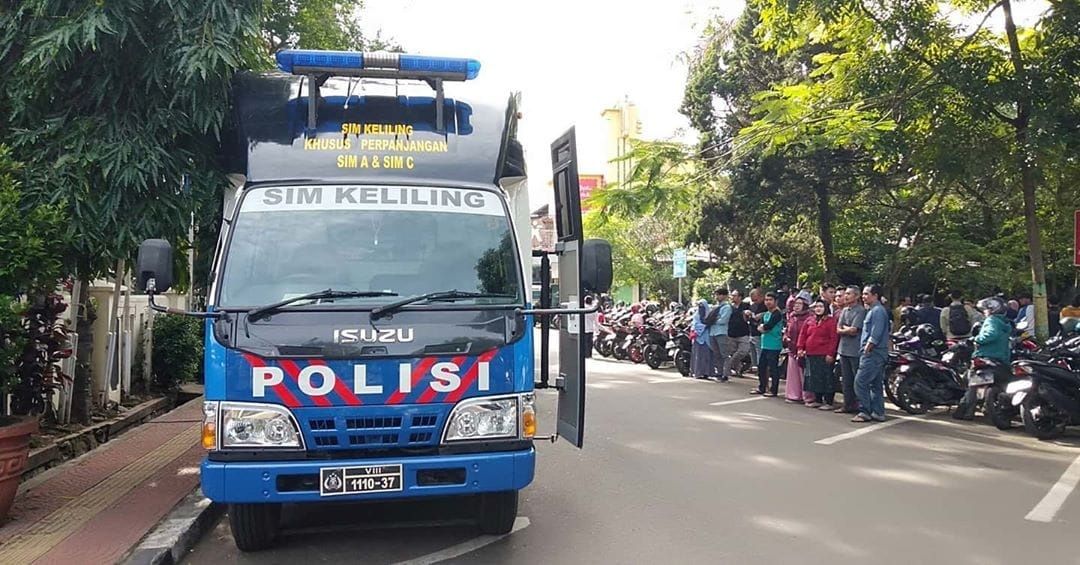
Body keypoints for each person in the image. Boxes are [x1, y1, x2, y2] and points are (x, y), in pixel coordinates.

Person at [954, 296, 1012, 420]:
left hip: (985, 355)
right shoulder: (1005, 322)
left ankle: (966, 412)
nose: (984, 312)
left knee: (972, 386)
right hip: (1002, 359)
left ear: (992, 309)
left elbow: (990, 334)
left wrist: (977, 340)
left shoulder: (991, 320)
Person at [852, 284, 890, 423]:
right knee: (875, 384)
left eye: (866, 294)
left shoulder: (878, 311)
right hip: (877, 353)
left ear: (875, 295)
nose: (863, 296)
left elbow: (876, 333)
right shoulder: (874, 310)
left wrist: (867, 349)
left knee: (860, 382)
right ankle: (878, 412)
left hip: (873, 353)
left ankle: (865, 411)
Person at [798, 299, 840, 409]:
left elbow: (833, 338)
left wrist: (831, 353)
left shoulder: (831, 321)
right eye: (816, 306)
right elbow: (802, 335)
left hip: (824, 354)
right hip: (811, 353)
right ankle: (818, 399)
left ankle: (829, 402)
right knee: (814, 378)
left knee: (826, 378)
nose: (818, 309)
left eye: (821, 306)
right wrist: (800, 348)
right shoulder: (810, 320)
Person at [835, 285, 866, 414]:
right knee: (846, 380)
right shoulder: (844, 310)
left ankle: (860, 405)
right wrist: (846, 329)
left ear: (857, 296)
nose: (846, 296)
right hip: (843, 349)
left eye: (849, 294)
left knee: (856, 379)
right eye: (845, 294)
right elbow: (838, 329)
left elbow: (854, 330)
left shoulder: (860, 311)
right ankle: (847, 404)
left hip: (855, 350)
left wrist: (845, 329)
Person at [751, 292, 784, 397]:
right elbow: (758, 326)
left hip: (774, 345)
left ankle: (774, 390)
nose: (768, 302)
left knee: (773, 368)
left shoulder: (777, 314)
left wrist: (763, 328)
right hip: (764, 344)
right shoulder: (766, 314)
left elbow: (767, 327)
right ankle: (762, 387)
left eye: (770, 300)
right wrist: (762, 327)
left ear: (775, 301)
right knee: (761, 367)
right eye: (766, 300)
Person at [783, 296, 812, 403]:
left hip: (803, 349)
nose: (797, 306)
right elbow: (788, 329)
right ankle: (794, 395)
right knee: (793, 374)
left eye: (799, 304)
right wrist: (786, 337)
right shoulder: (792, 316)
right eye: (795, 304)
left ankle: (807, 396)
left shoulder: (809, 317)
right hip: (792, 348)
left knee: (803, 374)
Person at [707, 288, 733, 382]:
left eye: (719, 294)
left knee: (725, 354)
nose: (717, 296)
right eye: (716, 294)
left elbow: (723, 320)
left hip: (721, 332)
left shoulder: (727, 307)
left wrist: (714, 320)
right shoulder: (715, 307)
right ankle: (719, 373)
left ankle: (725, 374)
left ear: (725, 296)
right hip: (713, 332)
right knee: (716, 354)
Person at [727, 289, 752, 377]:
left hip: (743, 333)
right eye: (732, 295)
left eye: (734, 295)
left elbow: (749, 315)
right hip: (731, 333)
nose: (732, 297)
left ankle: (728, 365)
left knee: (742, 351)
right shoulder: (729, 307)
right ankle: (738, 370)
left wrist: (747, 314)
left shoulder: (746, 305)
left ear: (740, 297)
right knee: (733, 352)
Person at [690, 299, 714, 379]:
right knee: (698, 355)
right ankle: (698, 372)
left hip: (707, 338)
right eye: (699, 306)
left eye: (702, 306)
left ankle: (707, 372)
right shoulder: (696, 315)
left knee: (707, 356)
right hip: (698, 338)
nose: (701, 308)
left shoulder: (709, 314)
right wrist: (703, 327)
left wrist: (706, 325)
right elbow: (694, 324)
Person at [747, 288, 767, 374]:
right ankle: (754, 366)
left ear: (761, 296)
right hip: (752, 331)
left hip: (760, 332)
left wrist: (762, 315)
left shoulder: (766, 306)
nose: (754, 301)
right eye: (753, 300)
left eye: (756, 299)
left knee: (759, 352)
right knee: (753, 352)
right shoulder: (752, 306)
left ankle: (761, 369)